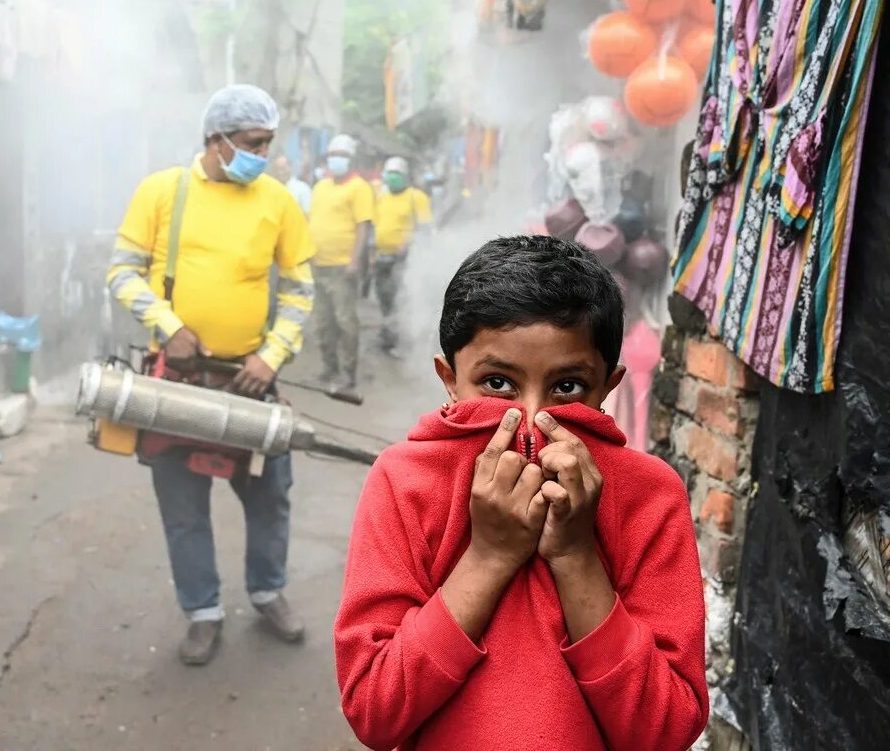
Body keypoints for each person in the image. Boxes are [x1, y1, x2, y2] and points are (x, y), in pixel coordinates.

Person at [334, 235, 707, 750]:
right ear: (449, 377)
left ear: (608, 385)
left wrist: (576, 555)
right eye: (497, 384)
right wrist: (489, 555)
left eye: (568, 387)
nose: (531, 419)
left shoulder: (649, 495)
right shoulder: (406, 480)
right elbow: (375, 710)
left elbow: (665, 731)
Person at [106, 84, 316, 667]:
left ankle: (268, 590)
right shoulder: (161, 191)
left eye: (269, 143)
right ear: (216, 141)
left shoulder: (277, 201)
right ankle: (202, 611)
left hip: (250, 381)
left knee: (270, 495)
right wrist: (165, 323)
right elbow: (122, 273)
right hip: (173, 381)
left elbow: (300, 291)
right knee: (183, 505)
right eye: (254, 143)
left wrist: (271, 355)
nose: (265, 155)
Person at [307, 134, 374, 395]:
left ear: (351, 159)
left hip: (342, 267)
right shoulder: (320, 186)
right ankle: (328, 368)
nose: (336, 160)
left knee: (345, 322)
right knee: (322, 322)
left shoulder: (359, 187)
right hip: (318, 264)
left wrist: (355, 260)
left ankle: (347, 375)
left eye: (342, 156)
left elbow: (363, 226)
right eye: (333, 155)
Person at [372, 156, 432, 357]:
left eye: (396, 174)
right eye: (390, 173)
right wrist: (372, 250)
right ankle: (389, 334)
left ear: (406, 176)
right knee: (384, 297)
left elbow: (425, 229)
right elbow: (375, 224)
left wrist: (407, 244)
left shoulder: (417, 197)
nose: (392, 178)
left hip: (405, 260)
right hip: (382, 257)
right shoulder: (381, 196)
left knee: (402, 299)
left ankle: (405, 343)